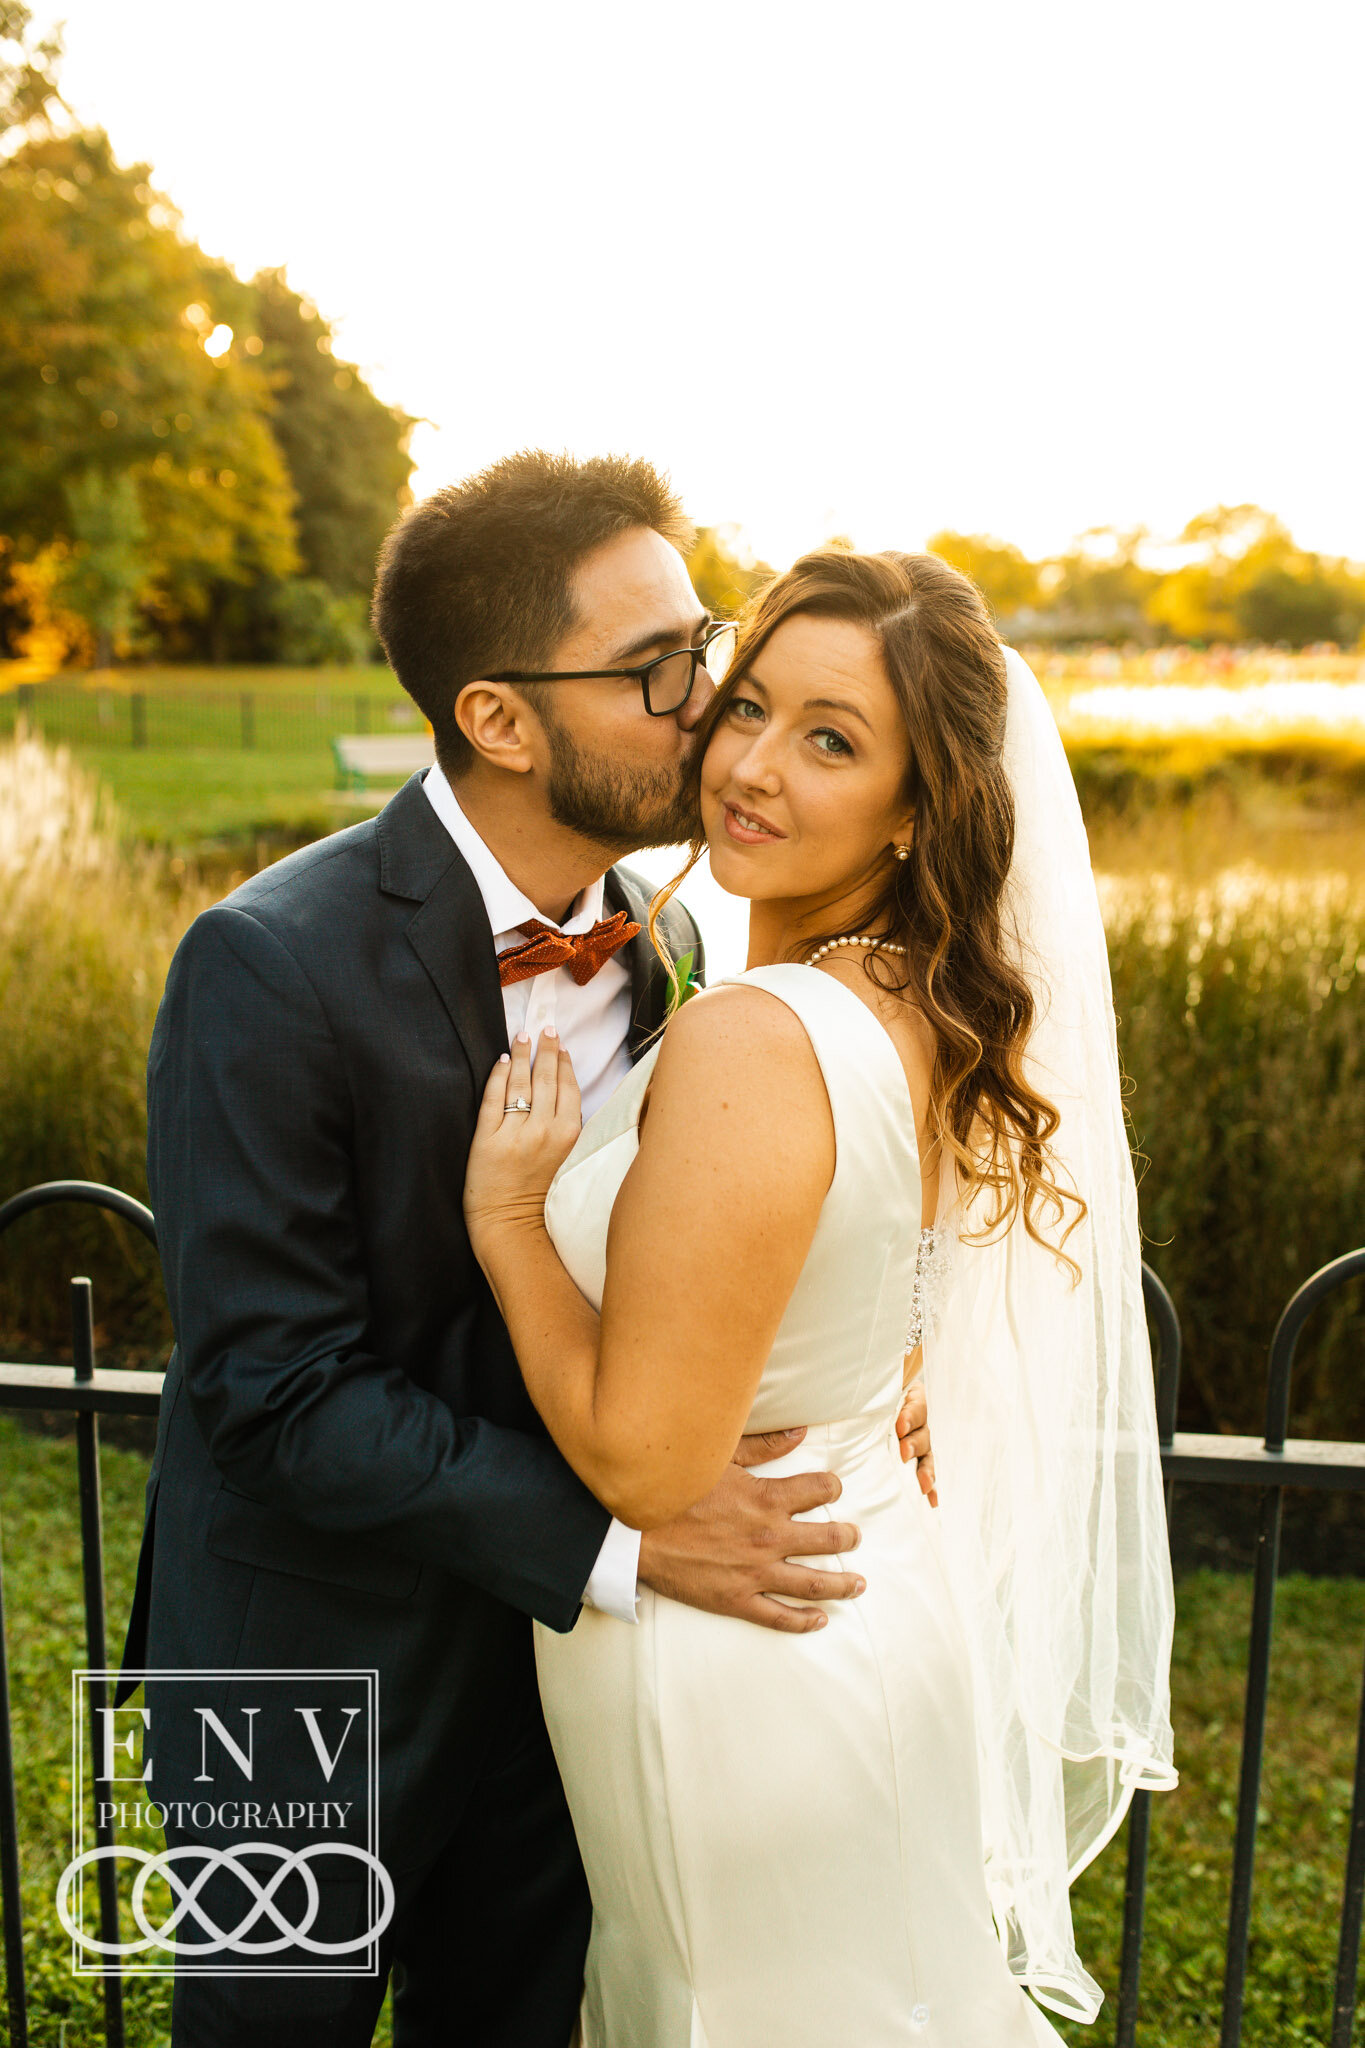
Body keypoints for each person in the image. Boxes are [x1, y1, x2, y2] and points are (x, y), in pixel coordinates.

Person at [117, 452, 933, 2047]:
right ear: (498, 719)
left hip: (567, 1689)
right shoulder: (263, 963)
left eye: (703, 646)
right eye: (658, 673)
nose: (711, 704)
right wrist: (625, 1541)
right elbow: (273, 1393)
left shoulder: (678, 940)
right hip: (297, 1675)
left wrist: (875, 1352)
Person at [464, 547, 1178, 2044]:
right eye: (750, 710)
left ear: (917, 811)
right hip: (863, 1600)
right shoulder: (923, 1000)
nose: (752, 768)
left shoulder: (755, 1038)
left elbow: (648, 1464)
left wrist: (511, 1216)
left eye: (831, 741)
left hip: (737, 1667)